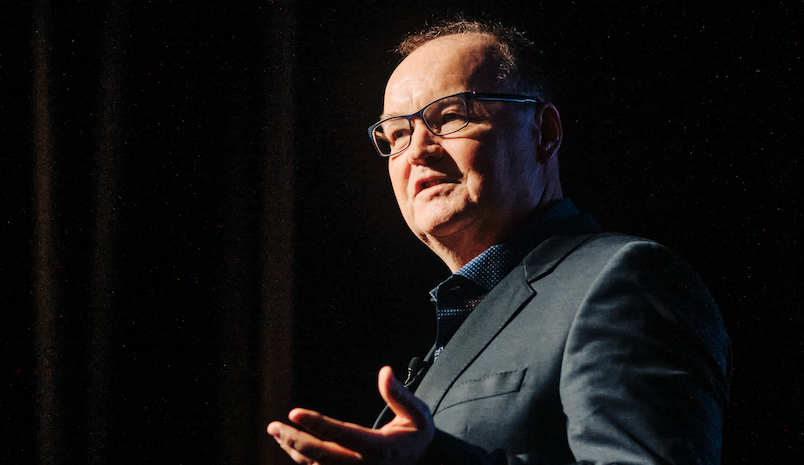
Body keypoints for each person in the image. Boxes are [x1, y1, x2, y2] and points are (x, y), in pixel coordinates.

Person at [267, 19, 731, 465]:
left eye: (449, 116)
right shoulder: (462, 319)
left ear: (544, 133)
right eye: (397, 134)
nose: (418, 151)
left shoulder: (624, 279)